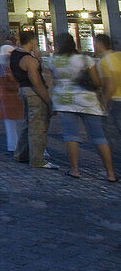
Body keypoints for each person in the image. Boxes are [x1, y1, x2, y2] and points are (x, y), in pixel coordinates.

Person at [47, 32, 116, 181]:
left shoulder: (53, 61)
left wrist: (51, 102)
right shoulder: (86, 59)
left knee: (71, 135)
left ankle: (75, 170)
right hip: (87, 100)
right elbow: (97, 82)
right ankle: (110, 173)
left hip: (64, 101)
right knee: (99, 136)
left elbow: (52, 83)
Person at [10, 30, 58, 169]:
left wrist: (39, 59)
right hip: (33, 92)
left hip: (23, 90)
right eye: (36, 40)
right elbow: (37, 82)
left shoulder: (15, 54)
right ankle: (37, 160)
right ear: (32, 41)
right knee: (38, 126)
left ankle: (21, 154)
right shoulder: (29, 60)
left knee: (27, 124)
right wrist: (48, 101)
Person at [0, 34, 23, 152]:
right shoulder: (8, 68)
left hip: (6, 99)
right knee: (20, 121)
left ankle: (12, 145)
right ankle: (19, 144)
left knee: (10, 122)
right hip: (15, 98)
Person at [95, 33, 121, 146]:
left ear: (100, 44)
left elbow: (110, 86)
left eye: (95, 43)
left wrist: (103, 102)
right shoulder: (119, 55)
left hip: (116, 100)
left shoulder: (104, 62)